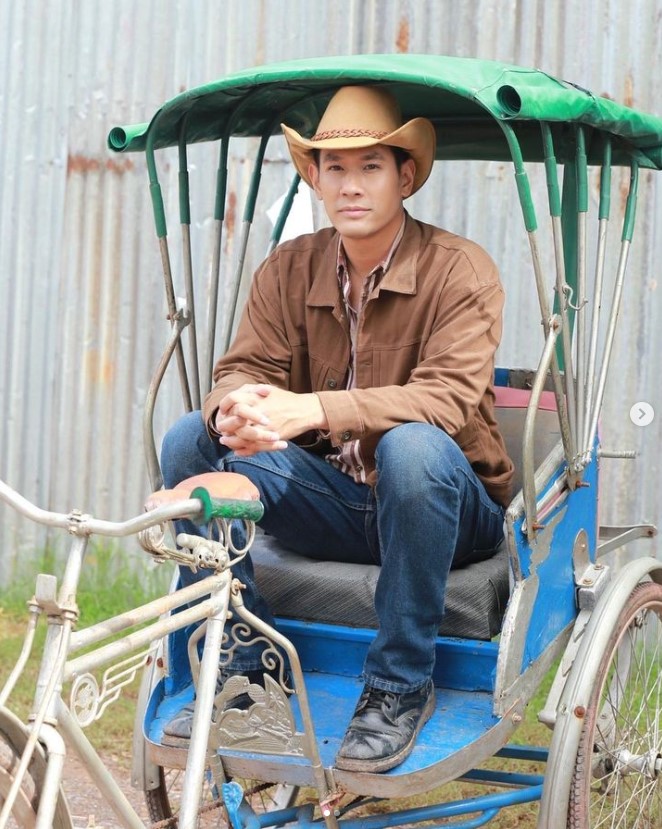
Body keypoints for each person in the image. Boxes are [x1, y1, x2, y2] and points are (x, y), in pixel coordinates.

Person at [157, 85, 513, 773]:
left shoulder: (460, 269)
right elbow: (242, 369)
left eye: (370, 167)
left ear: (404, 177)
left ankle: (399, 685)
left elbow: (445, 400)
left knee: (412, 446)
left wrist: (313, 409)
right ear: (314, 178)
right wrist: (235, 407)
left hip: (443, 506)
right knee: (190, 439)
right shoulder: (290, 267)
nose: (351, 185)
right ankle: (244, 662)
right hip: (333, 499)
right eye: (335, 168)